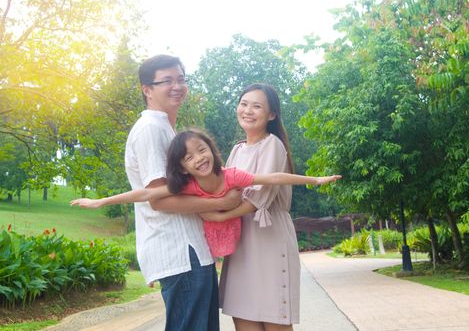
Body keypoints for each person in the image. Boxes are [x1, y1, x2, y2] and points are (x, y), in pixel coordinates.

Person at [71, 129, 341, 258]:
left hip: (236, 237)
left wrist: (314, 179)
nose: (199, 158)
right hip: (210, 245)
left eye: (202, 150)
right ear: (182, 167)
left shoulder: (231, 175)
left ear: (211, 150)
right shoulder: (188, 186)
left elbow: (272, 177)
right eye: (189, 157)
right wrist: (101, 201)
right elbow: (144, 194)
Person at [121, 55, 241, 331]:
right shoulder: (151, 129)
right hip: (178, 251)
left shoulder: (165, 127)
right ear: (147, 89)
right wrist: (222, 201)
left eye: (181, 79)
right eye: (167, 81)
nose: (177, 86)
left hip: (192, 250)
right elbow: (159, 199)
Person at [200, 83, 308, 331]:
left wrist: (221, 215)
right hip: (241, 241)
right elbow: (224, 189)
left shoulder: (273, 145)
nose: (248, 110)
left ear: (271, 115)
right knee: (244, 316)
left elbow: (258, 198)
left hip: (269, 239)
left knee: (274, 319)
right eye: (244, 104)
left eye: (256, 106)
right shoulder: (237, 149)